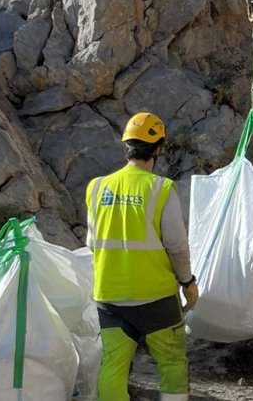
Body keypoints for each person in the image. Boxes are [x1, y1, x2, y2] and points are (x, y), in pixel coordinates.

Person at [86, 112, 197, 401]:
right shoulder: (161, 188)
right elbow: (177, 246)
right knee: (172, 363)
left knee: (113, 366)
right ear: (158, 149)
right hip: (155, 297)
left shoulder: (96, 187)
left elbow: (92, 243)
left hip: (109, 296)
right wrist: (188, 282)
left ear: (126, 146)